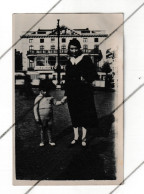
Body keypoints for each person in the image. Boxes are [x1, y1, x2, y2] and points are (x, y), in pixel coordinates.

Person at [63, 38, 98, 147]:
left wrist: (86, 79)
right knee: (74, 115)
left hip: (84, 93)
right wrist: (66, 95)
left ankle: (84, 138)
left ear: (79, 49)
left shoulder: (85, 59)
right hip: (72, 93)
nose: (73, 50)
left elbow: (94, 74)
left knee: (84, 115)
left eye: (75, 48)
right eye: (71, 48)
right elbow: (67, 80)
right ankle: (76, 137)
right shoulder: (69, 61)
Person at [34, 79, 65, 147]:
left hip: (50, 117)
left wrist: (62, 101)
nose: (45, 92)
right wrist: (36, 117)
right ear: (41, 90)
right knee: (42, 129)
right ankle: (42, 141)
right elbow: (35, 108)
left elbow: (56, 103)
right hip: (41, 117)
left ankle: (50, 141)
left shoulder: (51, 97)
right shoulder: (37, 98)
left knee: (49, 129)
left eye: (47, 90)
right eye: (44, 90)